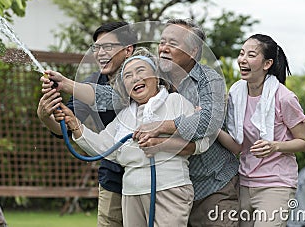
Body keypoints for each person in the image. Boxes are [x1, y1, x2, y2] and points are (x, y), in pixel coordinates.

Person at [45, 19, 240, 226]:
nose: (163, 48)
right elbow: (110, 96)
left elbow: (208, 122)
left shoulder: (209, 80)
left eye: (172, 43)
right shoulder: (153, 74)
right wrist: (66, 84)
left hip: (211, 183)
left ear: (193, 50)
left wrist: (161, 127)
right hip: (168, 184)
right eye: (162, 42)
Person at [51, 52, 202, 226]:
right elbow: (105, 148)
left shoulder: (176, 102)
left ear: (157, 76)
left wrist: (161, 144)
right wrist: (75, 124)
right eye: (128, 76)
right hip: (131, 192)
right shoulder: (124, 115)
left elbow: (201, 143)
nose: (134, 78)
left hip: (170, 188)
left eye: (140, 71)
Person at [37, 21, 136, 227]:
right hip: (112, 174)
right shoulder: (91, 81)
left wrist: (68, 84)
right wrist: (46, 116)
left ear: (128, 50)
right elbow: (65, 126)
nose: (100, 53)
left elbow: (117, 96)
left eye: (108, 46)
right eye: (97, 47)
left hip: (147, 173)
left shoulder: (143, 75)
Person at [217, 34, 305, 226]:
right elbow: (237, 147)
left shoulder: (284, 98)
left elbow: (304, 142)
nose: (242, 59)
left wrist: (275, 146)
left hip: (276, 184)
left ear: (267, 63)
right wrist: (212, 128)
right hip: (245, 182)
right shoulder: (236, 93)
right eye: (241, 53)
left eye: (251, 55)